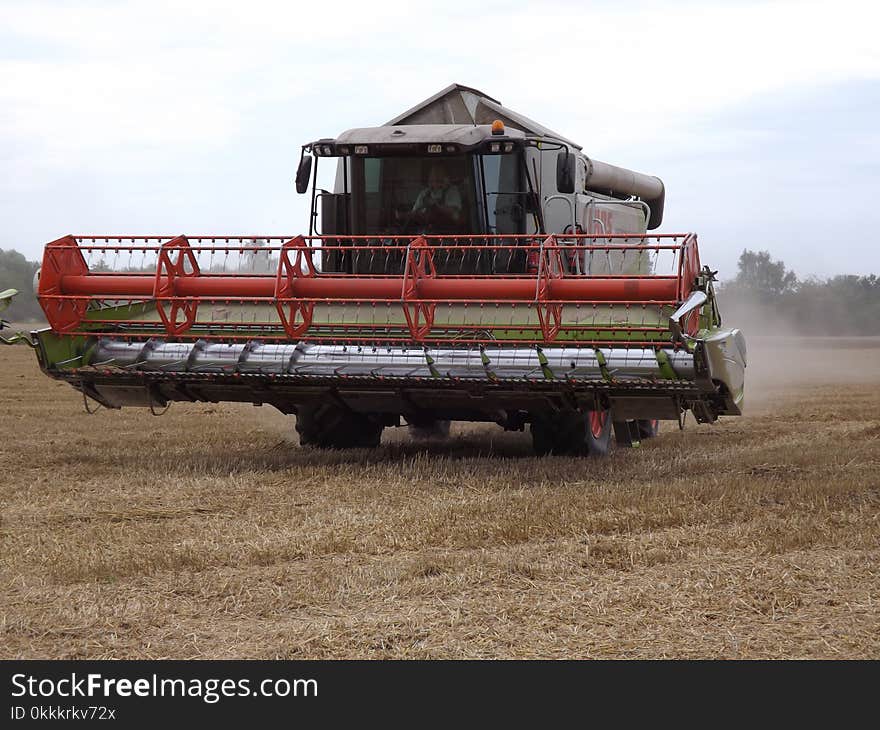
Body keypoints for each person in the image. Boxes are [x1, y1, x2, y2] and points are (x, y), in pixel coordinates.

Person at [406, 165, 463, 229]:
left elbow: (454, 213)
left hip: (448, 232)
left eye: (439, 174)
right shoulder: (424, 193)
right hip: (426, 231)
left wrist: (436, 205)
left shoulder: (452, 191)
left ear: (445, 176)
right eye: (432, 174)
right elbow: (414, 213)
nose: (435, 177)